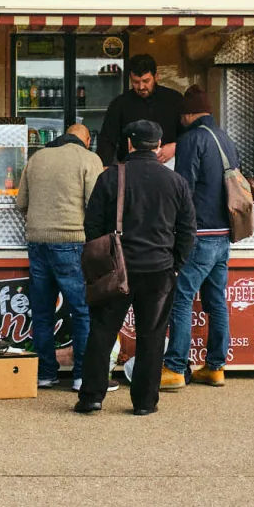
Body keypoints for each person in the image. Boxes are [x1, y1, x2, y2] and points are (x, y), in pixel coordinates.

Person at [75, 120, 196, 416]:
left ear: (129, 144)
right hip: (160, 270)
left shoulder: (111, 177)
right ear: (158, 145)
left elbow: (92, 225)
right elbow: (188, 231)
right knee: (152, 337)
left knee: (102, 332)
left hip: (116, 269)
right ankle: (144, 402)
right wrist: (176, 265)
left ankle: (91, 397)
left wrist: (105, 259)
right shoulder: (176, 181)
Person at [163, 85, 240, 389]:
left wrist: (173, 228)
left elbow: (183, 190)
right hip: (223, 234)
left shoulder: (191, 139)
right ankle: (215, 367)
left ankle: (174, 369)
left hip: (200, 233)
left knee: (181, 298)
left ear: (189, 114)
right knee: (216, 301)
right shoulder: (225, 139)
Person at [16, 123, 104, 390]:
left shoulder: (37, 158)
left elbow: (21, 203)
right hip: (72, 241)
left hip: (37, 242)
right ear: (86, 140)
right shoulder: (89, 159)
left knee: (42, 312)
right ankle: (81, 376)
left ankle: (45, 374)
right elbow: (96, 204)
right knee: (82, 311)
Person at [97, 54, 184, 167]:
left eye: (146, 81)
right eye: (136, 82)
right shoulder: (119, 104)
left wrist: (176, 146)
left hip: (169, 165)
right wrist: (105, 168)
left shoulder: (174, 99)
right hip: (130, 167)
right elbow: (107, 141)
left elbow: (191, 134)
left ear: (156, 77)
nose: (141, 87)